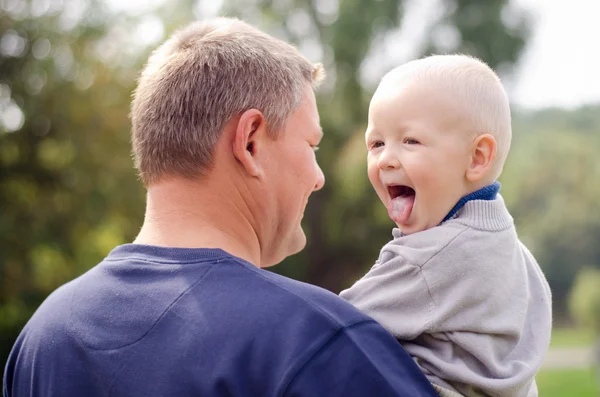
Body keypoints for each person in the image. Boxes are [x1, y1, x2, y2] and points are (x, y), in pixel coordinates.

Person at [3, 18, 439, 397]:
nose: (318, 176)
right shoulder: (318, 346)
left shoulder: (44, 339)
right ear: (250, 142)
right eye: (311, 145)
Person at [340, 55, 552, 397]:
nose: (386, 159)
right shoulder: (515, 252)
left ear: (477, 157)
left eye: (410, 141)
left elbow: (333, 324)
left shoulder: (428, 258)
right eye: (376, 143)